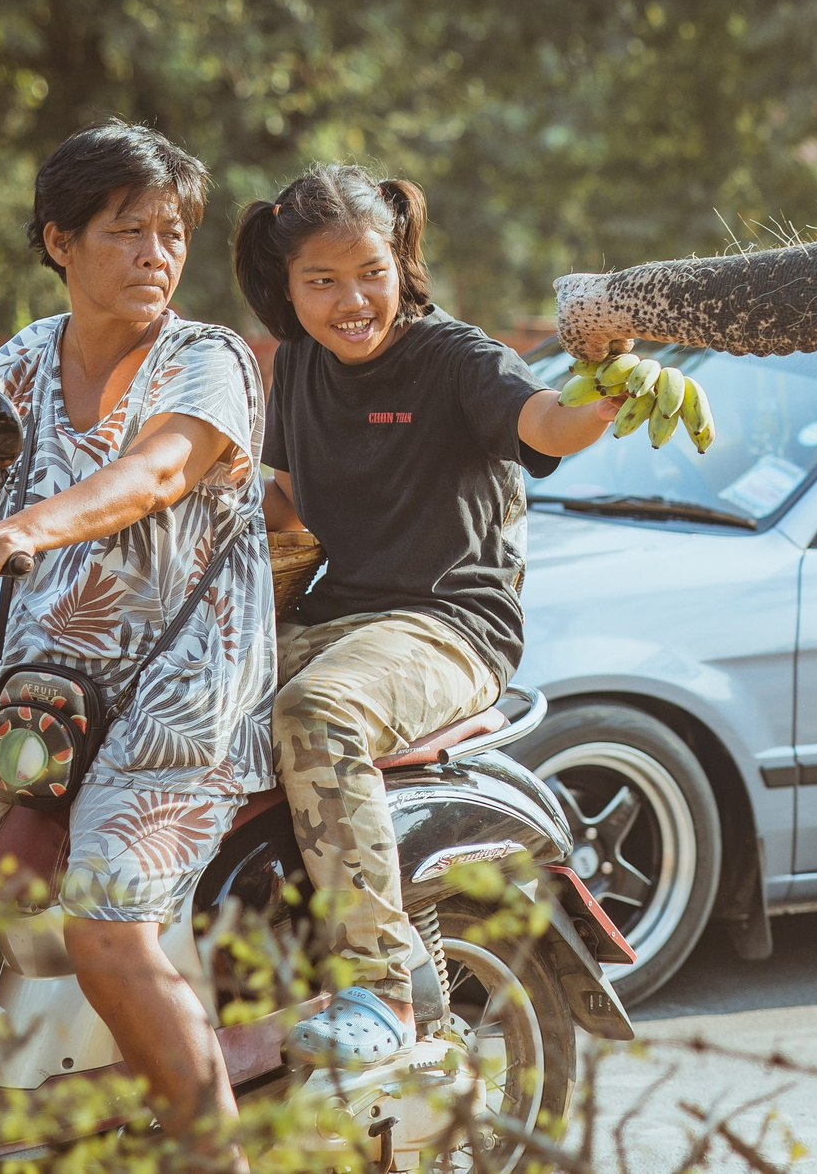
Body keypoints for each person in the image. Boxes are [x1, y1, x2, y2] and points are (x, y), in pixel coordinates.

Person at [0, 121, 273, 1147]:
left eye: (170, 232)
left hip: (176, 706)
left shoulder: (208, 363)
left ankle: (214, 1156)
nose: (156, 253)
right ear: (59, 241)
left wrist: (23, 528)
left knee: (104, 930)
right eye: (126, 231)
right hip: (49, 701)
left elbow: (154, 474)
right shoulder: (25, 356)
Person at [232, 166, 620, 1065]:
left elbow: (549, 425)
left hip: (450, 625)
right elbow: (288, 502)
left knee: (316, 712)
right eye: (321, 282)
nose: (351, 300)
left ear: (402, 260)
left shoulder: (456, 359)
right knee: (174, 696)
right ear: (288, 289)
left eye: (369, 271)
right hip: (338, 617)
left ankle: (379, 991)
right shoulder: (295, 366)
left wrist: (602, 392)